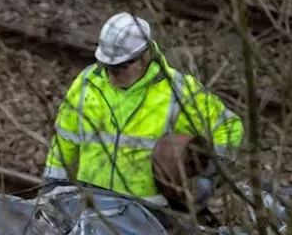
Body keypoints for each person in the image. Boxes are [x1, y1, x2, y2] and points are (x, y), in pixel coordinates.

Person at [42, 12, 244, 205]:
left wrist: (209, 174)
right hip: (93, 210)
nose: (111, 75)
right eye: (106, 66)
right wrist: (51, 186)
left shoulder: (179, 91)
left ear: (145, 57)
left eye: (120, 68)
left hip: (147, 217)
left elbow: (229, 127)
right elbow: (64, 140)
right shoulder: (88, 84)